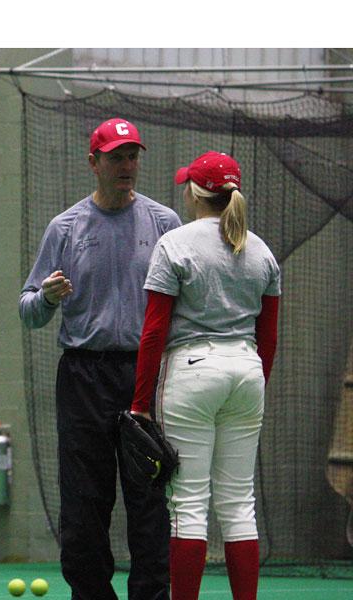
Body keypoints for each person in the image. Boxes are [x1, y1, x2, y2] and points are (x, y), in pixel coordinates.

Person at [19, 118, 182, 600]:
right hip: (83, 376)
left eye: (133, 156)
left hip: (143, 376)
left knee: (149, 498)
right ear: (94, 163)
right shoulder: (65, 228)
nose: (127, 165)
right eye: (116, 157)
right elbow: (27, 311)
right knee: (85, 502)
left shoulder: (165, 224)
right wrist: (47, 297)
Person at [130, 152, 280, 600]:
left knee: (189, 507)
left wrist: (140, 403)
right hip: (247, 372)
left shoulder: (174, 244)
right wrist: (255, 388)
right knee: (239, 507)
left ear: (194, 193)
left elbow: (154, 331)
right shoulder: (261, 250)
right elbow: (268, 337)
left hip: (193, 373)